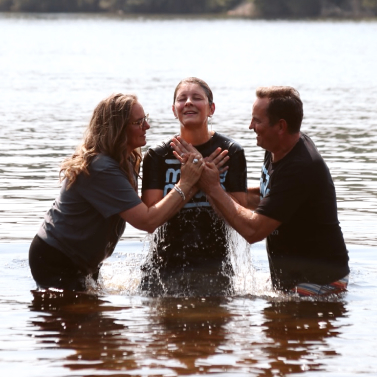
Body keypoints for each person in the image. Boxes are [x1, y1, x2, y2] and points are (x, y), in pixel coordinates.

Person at [28, 93, 204, 292]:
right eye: (139, 122)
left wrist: (193, 185)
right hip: (56, 257)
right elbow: (146, 221)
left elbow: (144, 209)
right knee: (82, 318)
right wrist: (187, 183)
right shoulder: (101, 167)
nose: (147, 126)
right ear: (118, 129)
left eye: (145, 119)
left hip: (80, 257)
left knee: (97, 317)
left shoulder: (126, 159)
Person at [193, 86, 350, 297]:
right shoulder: (278, 147)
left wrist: (213, 188)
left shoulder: (300, 167)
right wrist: (204, 188)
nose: (251, 126)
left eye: (257, 121)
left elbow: (253, 231)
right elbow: (268, 197)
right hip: (297, 278)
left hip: (320, 282)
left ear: (281, 126)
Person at [141, 77, 247, 296]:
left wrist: (210, 184)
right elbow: (151, 217)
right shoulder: (157, 155)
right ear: (174, 110)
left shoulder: (229, 153)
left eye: (197, 98)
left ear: (211, 108)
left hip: (215, 269)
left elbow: (239, 217)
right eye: (182, 99)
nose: (188, 102)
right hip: (162, 272)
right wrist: (189, 181)